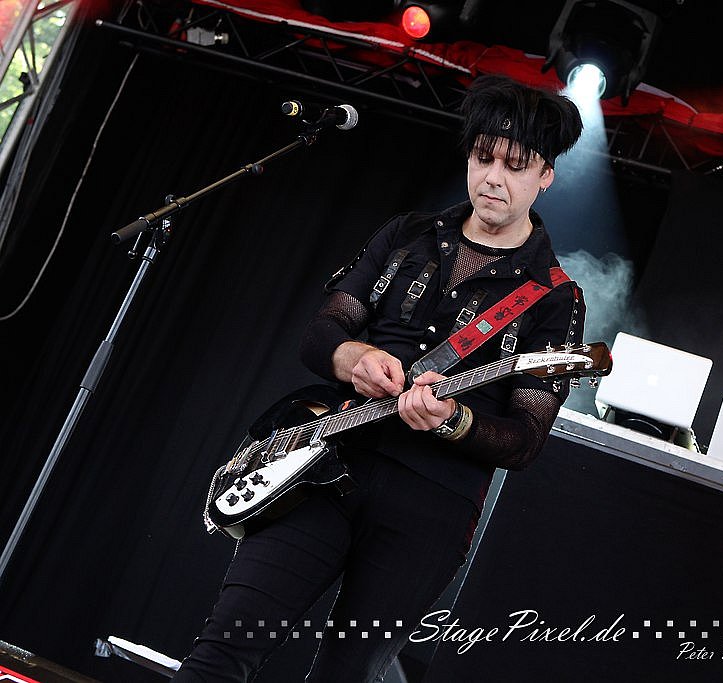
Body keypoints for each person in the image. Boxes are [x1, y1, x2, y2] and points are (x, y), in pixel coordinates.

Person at [173, 75, 584, 682]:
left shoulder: (554, 297)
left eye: (515, 165)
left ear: (545, 175)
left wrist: (453, 420)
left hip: (430, 509)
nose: (493, 178)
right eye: (483, 158)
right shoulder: (406, 235)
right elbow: (320, 335)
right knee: (225, 647)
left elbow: (524, 441)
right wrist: (354, 357)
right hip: (326, 466)